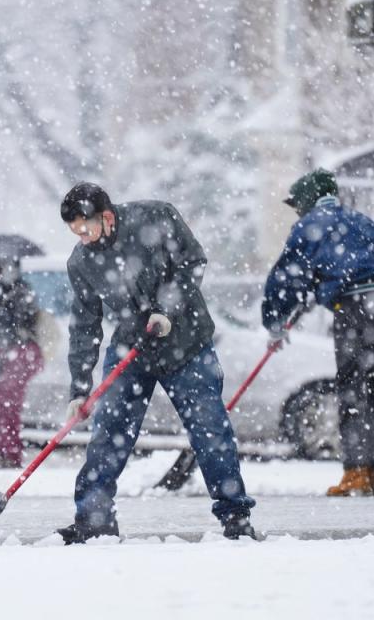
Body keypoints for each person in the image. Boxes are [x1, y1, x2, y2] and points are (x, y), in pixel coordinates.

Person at [56, 182, 256, 544]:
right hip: (133, 347)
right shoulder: (81, 262)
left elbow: (192, 261)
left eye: (86, 229)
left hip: (186, 342)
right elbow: (85, 326)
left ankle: (235, 516)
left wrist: (167, 310)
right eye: (75, 232)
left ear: (107, 217)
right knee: (109, 431)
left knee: (209, 428)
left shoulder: (155, 217)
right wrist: (79, 389)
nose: (83, 238)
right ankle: (94, 519)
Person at [261, 169, 374, 497]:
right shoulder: (361, 221)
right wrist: (326, 286)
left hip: (357, 305)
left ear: (308, 201)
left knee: (352, 386)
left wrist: (275, 321)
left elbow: (286, 278)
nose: (297, 211)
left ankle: (355, 473)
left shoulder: (310, 226)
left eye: (298, 204)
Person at [0, 254, 44, 469]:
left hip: (18, 351)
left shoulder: (21, 292)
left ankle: (11, 454)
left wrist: (7, 298)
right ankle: (4, 451)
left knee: (7, 403)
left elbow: (24, 322)